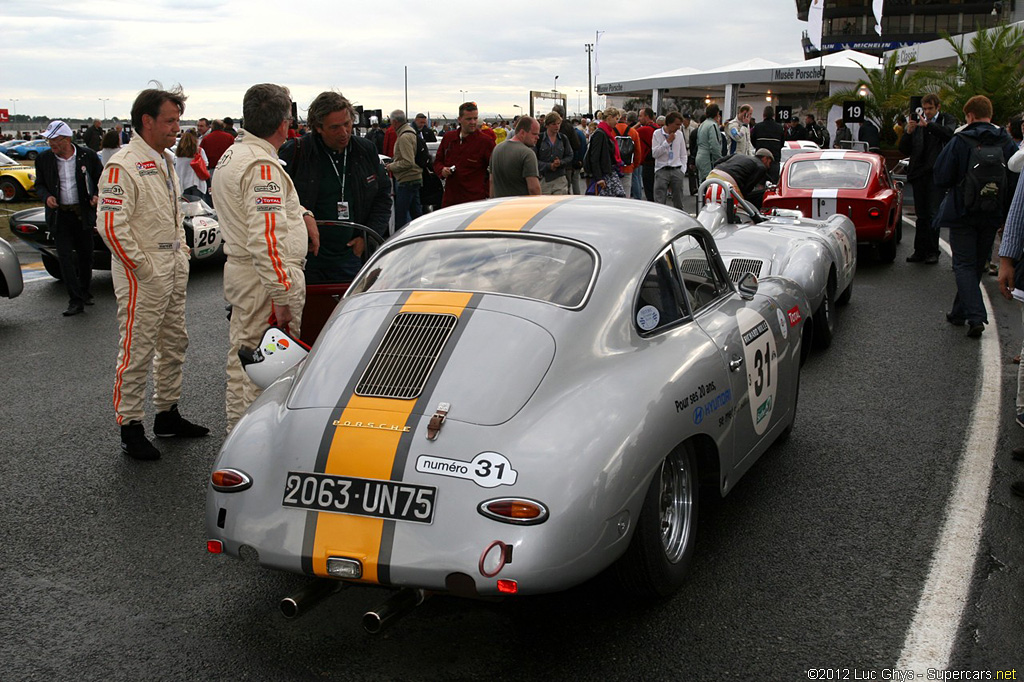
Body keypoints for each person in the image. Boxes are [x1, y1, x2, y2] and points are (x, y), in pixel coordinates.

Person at [97, 86, 209, 460]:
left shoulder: (164, 159)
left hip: (173, 264)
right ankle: (130, 426)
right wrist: (142, 267)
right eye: (170, 120)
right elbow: (111, 226)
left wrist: (182, 250)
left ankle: (167, 413)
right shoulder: (123, 164)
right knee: (137, 350)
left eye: (179, 120)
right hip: (143, 270)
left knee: (175, 343)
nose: (178, 127)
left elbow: (172, 213)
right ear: (147, 121)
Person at [212, 83, 315, 432]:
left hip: (246, 274)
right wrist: (282, 294)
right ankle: (257, 446)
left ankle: (235, 436)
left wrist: (302, 213)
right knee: (269, 374)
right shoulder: (261, 166)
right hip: (265, 280)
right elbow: (266, 238)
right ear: (284, 123)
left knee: (242, 364)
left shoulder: (234, 155)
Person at [279, 91, 391, 283]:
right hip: (306, 259)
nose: (344, 132)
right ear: (318, 127)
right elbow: (280, 204)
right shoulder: (296, 152)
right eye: (335, 127)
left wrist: (367, 238)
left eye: (347, 124)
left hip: (351, 256)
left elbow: (383, 197)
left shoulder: (365, 150)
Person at [934, 95, 1019, 338]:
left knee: (962, 264)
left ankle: (975, 317)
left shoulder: (961, 139)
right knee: (975, 265)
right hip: (992, 214)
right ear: (990, 114)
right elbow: (1015, 177)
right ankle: (959, 312)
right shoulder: (1006, 142)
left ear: (969, 116)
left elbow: (941, 175)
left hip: (963, 212)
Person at [34, 120, 103, 317]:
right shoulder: (44, 159)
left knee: (86, 255)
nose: (52, 145)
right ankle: (75, 300)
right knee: (64, 257)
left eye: (55, 141)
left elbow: (101, 179)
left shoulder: (87, 156)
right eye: (49, 141)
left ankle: (84, 291)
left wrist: (97, 195)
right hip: (60, 215)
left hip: (82, 212)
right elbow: (39, 184)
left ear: (67, 139)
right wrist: (47, 196)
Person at [899, 93, 956, 264]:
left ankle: (933, 251)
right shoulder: (918, 124)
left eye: (930, 108)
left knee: (933, 213)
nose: (927, 112)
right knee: (921, 215)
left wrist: (929, 125)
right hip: (918, 173)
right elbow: (904, 149)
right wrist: (908, 133)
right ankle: (919, 250)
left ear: (938, 107)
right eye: (925, 109)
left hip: (936, 174)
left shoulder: (945, 120)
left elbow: (949, 135)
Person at [433, 102, 496, 207]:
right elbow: (437, 161)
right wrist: (442, 170)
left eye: (475, 118)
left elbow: (496, 169)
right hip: (450, 201)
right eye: (468, 119)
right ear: (459, 119)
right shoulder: (449, 138)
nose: (473, 122)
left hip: (474, 203)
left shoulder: (485, 142)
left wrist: (488, 194)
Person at [386, 109, 423, 229]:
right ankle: (421, 237)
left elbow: (408, 162)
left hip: (407, 180)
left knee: (401, 217)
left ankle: (401, 241)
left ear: (395, 122)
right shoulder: (411, 132)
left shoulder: (404, 137)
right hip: (414, 178)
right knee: (416, 215)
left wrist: (390, 166)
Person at [489, 116, 541, 197]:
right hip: (520, 207)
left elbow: (491, 181)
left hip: (500, 206)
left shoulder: (496, 149)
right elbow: (533, 188)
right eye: (534, 134)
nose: (537, 137)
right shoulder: (527, 154)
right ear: (522, 133)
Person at [707, 149, 774, 208]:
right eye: (769, 163)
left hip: (712, 175)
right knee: (740, 208)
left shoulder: (739, 155)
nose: (769, 166)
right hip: (729, 181)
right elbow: (748, 186)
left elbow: (717, 162)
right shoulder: (761, 167)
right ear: (765, 158)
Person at [583, 106, 626, 197]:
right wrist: (599, 178)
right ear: (609, 118)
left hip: (606, 173)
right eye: (616, 119)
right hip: (604, 175)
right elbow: (594, 157)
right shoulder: (601, 134)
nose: (617, 122)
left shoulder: (604, 133)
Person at [651, 111, 688, 210]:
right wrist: (667, 142)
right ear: (669, 123)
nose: (678, 127)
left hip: (676, 169)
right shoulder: (657, 134)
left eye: (680, 125)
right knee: (660, 199)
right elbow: (655, 153)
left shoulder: (679, 135)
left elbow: (683, 154)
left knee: (678, 200)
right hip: (662, 169)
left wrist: (682, 170)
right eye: (676, 124)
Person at [535, 112, 573, 195]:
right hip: (543, 179)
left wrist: (561, 162)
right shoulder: (539, 139)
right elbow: (533, 160)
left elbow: (570, 155)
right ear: (547, 125)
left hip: (560, 179)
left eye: (558, 124)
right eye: (553, 124)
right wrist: (549, 166)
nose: (557, 126)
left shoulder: (563, 138)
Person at [173, 129, 209, 202]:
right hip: (196, 182)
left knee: (186, 206)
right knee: (198, 206)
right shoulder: (199, 151)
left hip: (182, 183)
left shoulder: (178, 152)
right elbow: (206, 164)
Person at [614, 111, 643, 199]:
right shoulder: (633, 132)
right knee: (626, 193)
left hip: (613, 167)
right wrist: (634, 165)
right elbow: (638, 151)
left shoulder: (611, 130)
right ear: (625, 118)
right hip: (627, 167)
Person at [752, 105, 785, 181]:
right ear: (773, 115)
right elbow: (782, 143)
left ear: (763, 115)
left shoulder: (758, 127)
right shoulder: (779, 127)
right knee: (773, 183)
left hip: (760, 160)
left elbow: (753, 141)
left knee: (759, 182)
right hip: (774, 159)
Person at [695, 104, 723, 183]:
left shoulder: (703, 124)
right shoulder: (712, 125)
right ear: (717, 113)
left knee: (702, 182)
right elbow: (714, 145)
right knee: (710, 182)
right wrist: (719, 159)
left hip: (700, 155)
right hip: (708, 158)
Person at [636, 107, 657, 200]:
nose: (639, 119)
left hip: (648, 163)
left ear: (647, 116)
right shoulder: (657, 128)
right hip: (658, 163)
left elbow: (628, 133)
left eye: (640, 116)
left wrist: (637, 124)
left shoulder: (643, 130)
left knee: (649, 190)